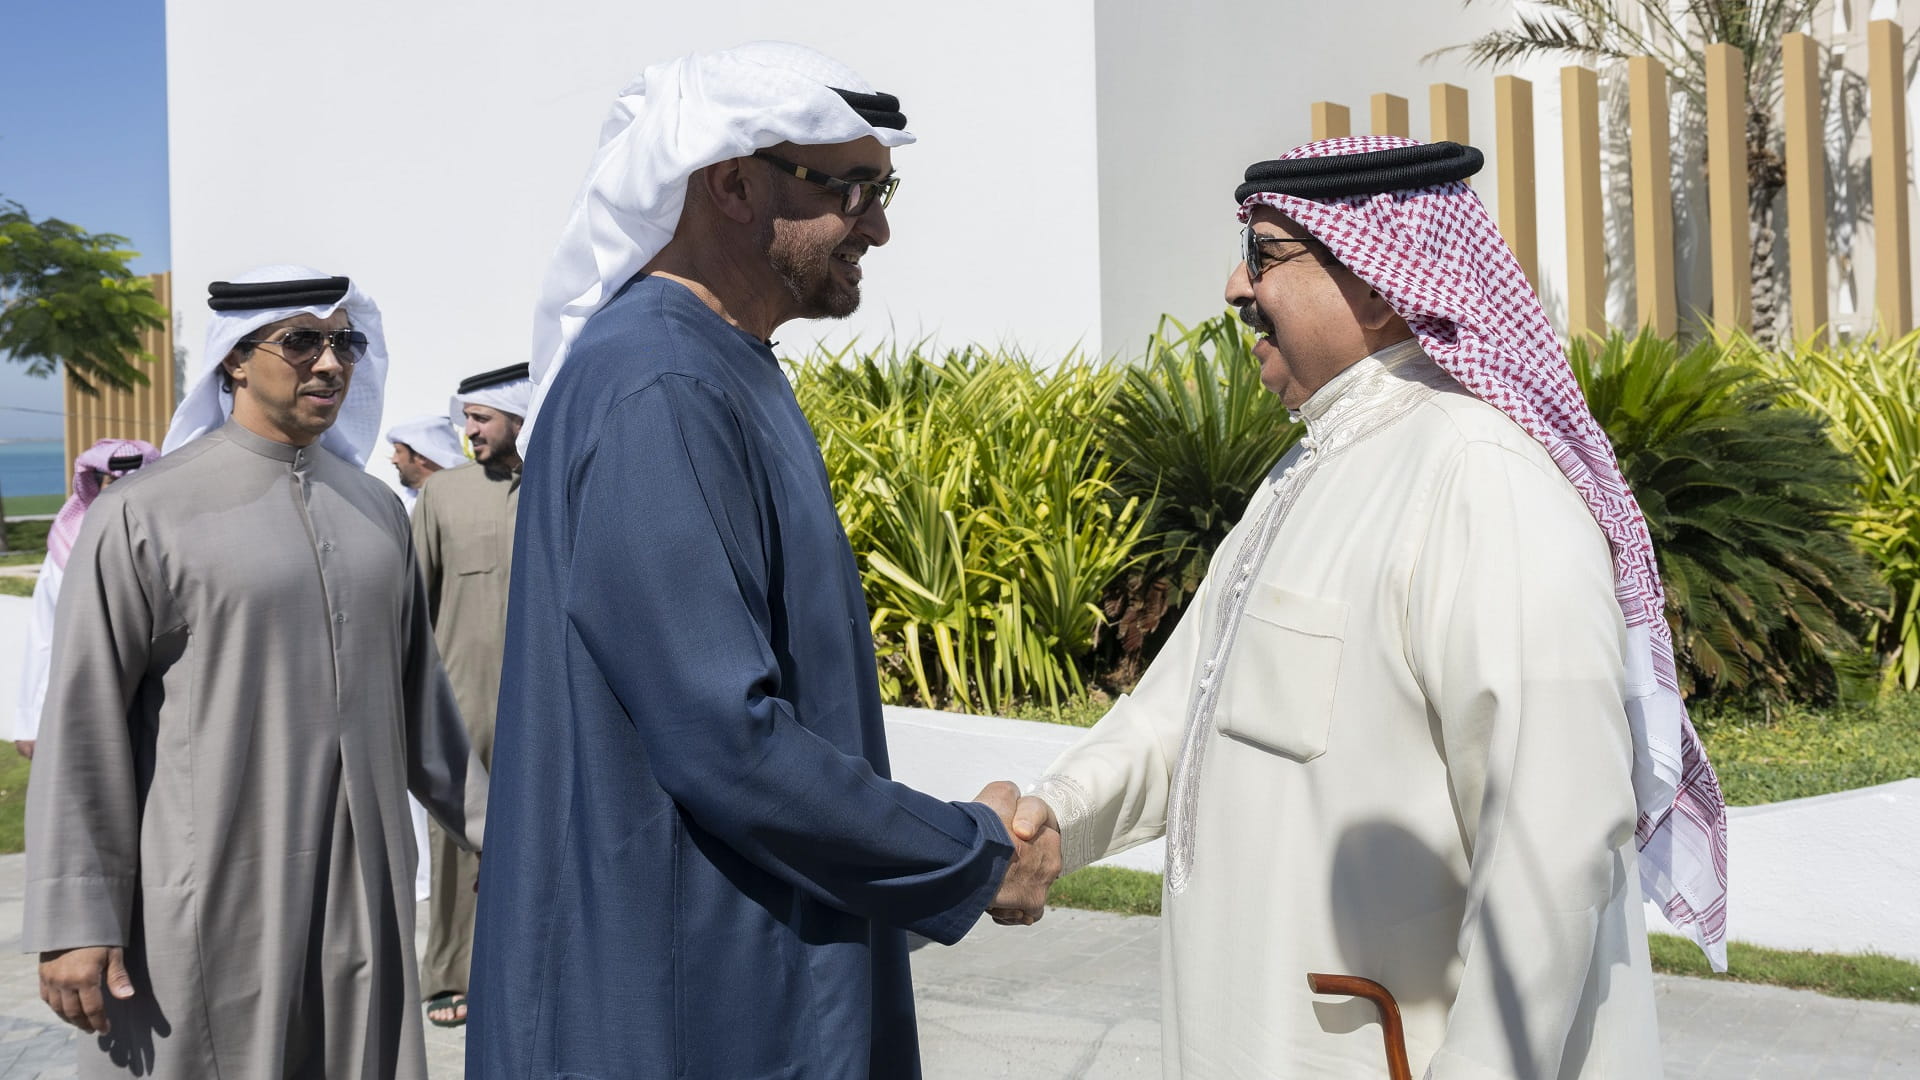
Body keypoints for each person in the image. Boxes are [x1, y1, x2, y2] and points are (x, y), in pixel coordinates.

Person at [1009, 138, 1730, 1078]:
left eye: (1266, 253)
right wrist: (1048, 819)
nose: (1237, 284)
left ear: (1388, 283)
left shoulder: (1481, 480)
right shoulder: (1313, 467)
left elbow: (1551, 842)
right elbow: (1175, 715)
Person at [468, 42, 1059, 1079]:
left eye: (886, 187)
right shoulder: (660, 385)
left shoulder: (718, 367)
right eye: (852, 190)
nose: (879, 224)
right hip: (689, 1009)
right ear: (733, 183)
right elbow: (725, 743)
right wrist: (969, 856)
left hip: (751, 978)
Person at [23, 266, 488, 1079]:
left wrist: (509, 839)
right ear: (234, 360)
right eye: (302, 341)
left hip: (364, 892)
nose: (330, 363)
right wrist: (74, 918)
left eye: (345, 343)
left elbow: (427, 721)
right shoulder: (145, 513)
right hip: (210, 889)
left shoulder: (378, 511)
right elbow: (83, 725)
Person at [412, 362, 530, 1029]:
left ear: (518, 417)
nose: (468, 431)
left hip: (547, 701)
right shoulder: (443, 496)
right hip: (464, 700)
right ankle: (450, 972)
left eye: (481, 419)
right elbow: (408, 605)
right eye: (465, 418)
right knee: (458, 836)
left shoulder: (559, 484)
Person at [10, 438, 159, 761]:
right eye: (111, 482)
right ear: (94, 483)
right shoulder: (66, 546)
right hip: (85, 696)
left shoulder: (167, 539)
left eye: (131, 481)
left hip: (159, 704)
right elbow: (44, 635)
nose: (120, 490)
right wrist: (31, 723)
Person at [385, 413, 468, 512]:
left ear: (421, 456)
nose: (393, 460)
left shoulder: (461, 498)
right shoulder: (410, 498)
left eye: (398, 451)